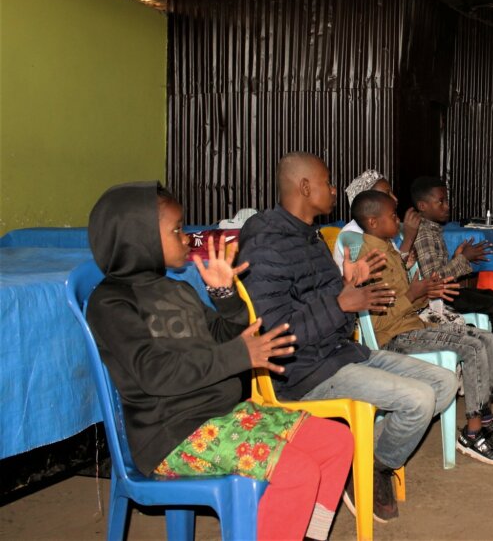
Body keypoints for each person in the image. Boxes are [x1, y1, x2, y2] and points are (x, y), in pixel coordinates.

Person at [86, 182, 354, 541]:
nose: (188, 238)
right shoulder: (112, 304)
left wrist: (225, 296)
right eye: (177, 230)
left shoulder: (177, 290)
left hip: (223, 415)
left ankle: (307, 535)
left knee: (338, 442)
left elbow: (231, 335)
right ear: (140, 237)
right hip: (174, 433)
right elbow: (154, 373)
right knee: (297, 472)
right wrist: (241, 354)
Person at [238, 153, 458, 522]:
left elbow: (320, 302)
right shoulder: (267, 245)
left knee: (446, 382)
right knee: (418, 399)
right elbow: (274, 333)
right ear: (305, 187)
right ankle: (370, 468)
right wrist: (342, 302)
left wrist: (347, 284)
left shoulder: (307, 236)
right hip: (304, 371)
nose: (334, 189)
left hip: (341, 351)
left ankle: (368, 460)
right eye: (327, 182)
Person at [353, 190, 493, 464]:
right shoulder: (371, 261)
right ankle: (472, 433)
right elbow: (378, 322)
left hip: (412, 326)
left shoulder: (388, 252)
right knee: (472, 345)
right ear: (373, 222)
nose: (398, 221)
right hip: (396, 338)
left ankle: (486, 418)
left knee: (484, 336)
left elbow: (404, 299)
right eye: (392, 216)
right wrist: (413, 294)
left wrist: (424, 291)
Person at [410, 176, 493, 392]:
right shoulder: (424, 233)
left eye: (446, 200)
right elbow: (432, 279)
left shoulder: (433, 228)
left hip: (446, 291)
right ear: (423, 206)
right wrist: (464, 259)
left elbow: (438, 268)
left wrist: (457, 256)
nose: (447, 206)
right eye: (440, 202)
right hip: (438, 298)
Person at [332, 169, 420, 275]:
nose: (395, 199)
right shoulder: (351, 236)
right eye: (387, 194)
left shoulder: (379, 229)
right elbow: (383, 277)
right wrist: (408, 240)